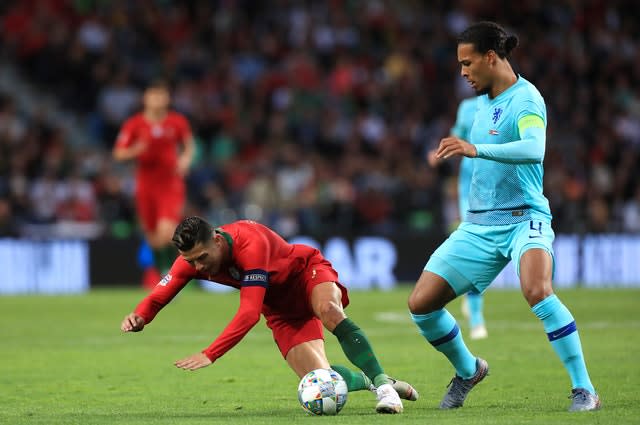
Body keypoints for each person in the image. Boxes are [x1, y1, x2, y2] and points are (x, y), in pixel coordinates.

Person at [408, 22, 600, 412]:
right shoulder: (476, 103)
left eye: (467, 63)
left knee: (537, 291)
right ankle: (468, 370)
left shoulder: (526, 100)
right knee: (421, 304)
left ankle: (585, 389)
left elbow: (534, 148)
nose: (462, 72)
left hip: (524, 218)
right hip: (478, 225)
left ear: (491, 58)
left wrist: (476, 149)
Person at [120, 216, 417, 414]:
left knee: (328, 310)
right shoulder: (192, 260)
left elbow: (249, 313)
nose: (197, 267)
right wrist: (139, 316)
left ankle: (384, 390)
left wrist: (211, 353)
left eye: (202, 258)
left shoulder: (250, 244)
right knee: (319, 380)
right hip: (279, 309)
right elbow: (159, 296)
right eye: (190, 261)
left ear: (218, 241)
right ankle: (376, 380)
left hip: (306, 276)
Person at [112, 80, 195, 285]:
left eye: (161, 95)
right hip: (145, 186)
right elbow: (118, 153)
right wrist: (135, 150)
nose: (157, 100)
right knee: (154, 239)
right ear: (145, 99)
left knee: (167, 231)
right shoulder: (134, 124)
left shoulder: (177, 122)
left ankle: (171, 276)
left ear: (167, 99)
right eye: (153, 95)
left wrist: (185, 160)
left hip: (170, 184)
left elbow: (189, 145)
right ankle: (162, 274)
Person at [428, 97, 488, 340]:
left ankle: (472, 302)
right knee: (477, 249)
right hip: (470, 187)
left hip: (499, 188)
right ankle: (476, 317)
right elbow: (456, 139)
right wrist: (438, 154)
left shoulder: (511, 102)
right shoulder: (466, 107)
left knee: (483, 252)